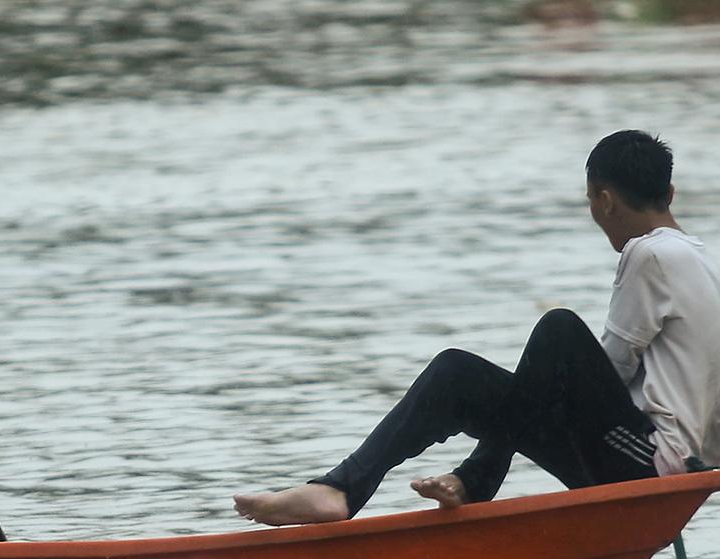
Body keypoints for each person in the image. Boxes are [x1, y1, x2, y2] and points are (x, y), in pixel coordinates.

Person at [234, 129, 720, 525]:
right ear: (670, 193)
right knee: (458, 374)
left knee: (558, 330)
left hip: (644, 465)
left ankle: (474, 477)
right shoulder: (706, 262)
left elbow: (607, 373)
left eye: (591, 202)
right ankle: (339, 489)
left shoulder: (650, 252)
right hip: (664, 461)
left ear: (605, 200)